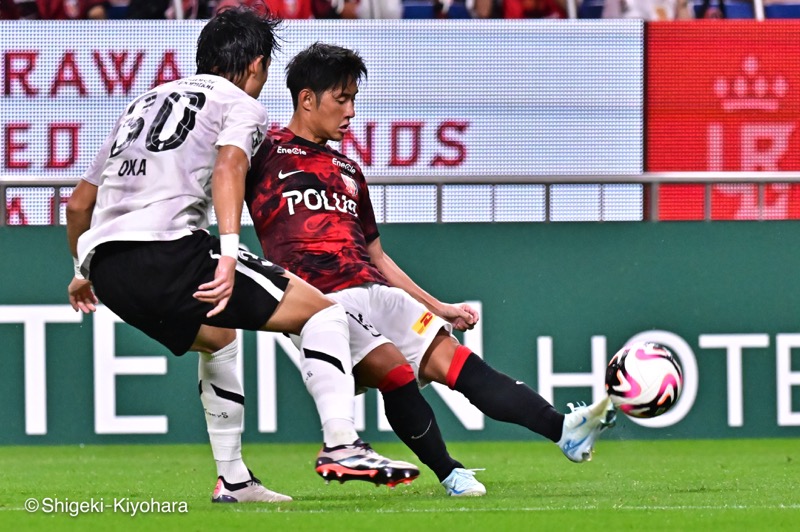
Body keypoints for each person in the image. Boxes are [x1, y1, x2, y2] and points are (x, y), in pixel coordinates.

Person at [65, 7, 418, 504]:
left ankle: (233, 480)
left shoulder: (144, 103)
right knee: (322, 312)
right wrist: (228, 254)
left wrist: (82, 269)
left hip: (109, 266)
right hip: (171, 250)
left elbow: (79, 204)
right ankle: (342, 442)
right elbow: (231, 166)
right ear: (255, 65)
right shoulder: (241, 104)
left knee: (218, 337)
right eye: (266, 68)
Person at [245, 42, 617, 496]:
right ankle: (450, 472)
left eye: (354, 100)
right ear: (307, 99)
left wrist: (438, 306)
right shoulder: (264, 153)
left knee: (463, 366)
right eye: (341, 99)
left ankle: (564, 431)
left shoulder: (348, 169)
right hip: (320, 303)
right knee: (396, 374)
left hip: (376, 291)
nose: (351, 112)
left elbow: (377, 257)